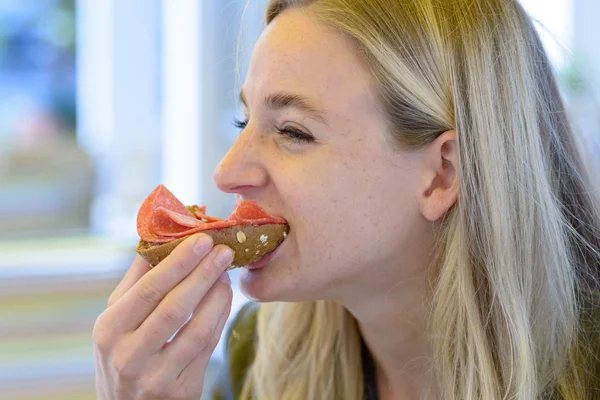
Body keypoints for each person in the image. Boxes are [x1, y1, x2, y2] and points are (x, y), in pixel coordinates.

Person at [93, 0, 600, 399]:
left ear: (442, 174)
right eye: (244, 121)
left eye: (292, 130)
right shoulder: (256, 360)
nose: (226, 174)